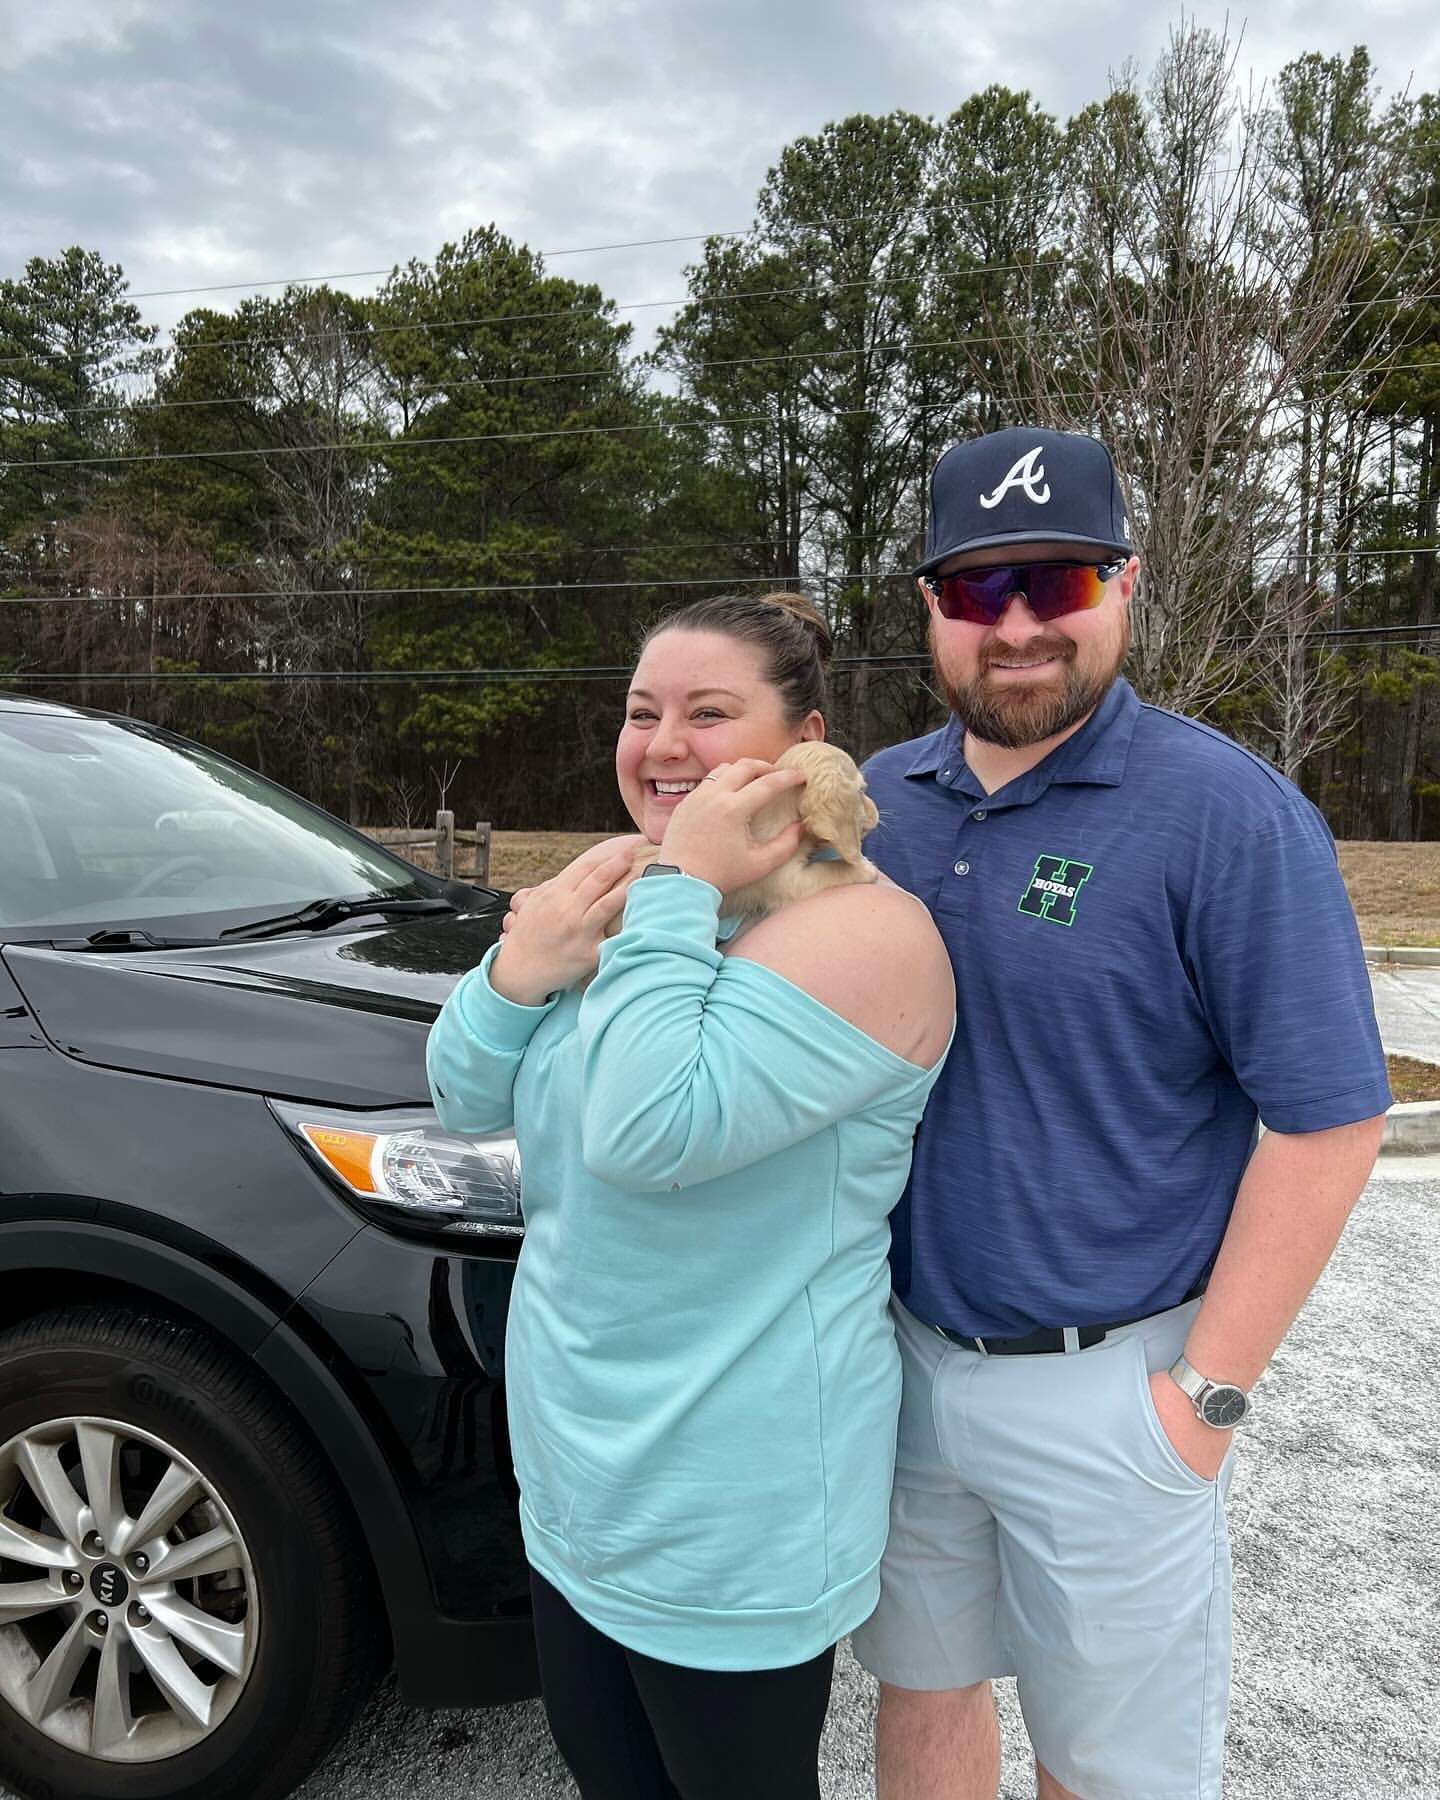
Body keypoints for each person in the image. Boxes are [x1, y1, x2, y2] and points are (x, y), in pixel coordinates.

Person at [849, 425, 1391, 1800]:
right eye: (977, 587)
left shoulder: (1228, 815)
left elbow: (1329, 1122)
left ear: (1126, 584)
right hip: (899, 1361)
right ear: (930, 606)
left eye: (1057, 581)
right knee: (919, 1695)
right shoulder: (874, 805)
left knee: (1106, 1770)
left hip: (1112, 1384)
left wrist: (1201, 1399)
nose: (1017, 625)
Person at [426, 591, 955, 1800]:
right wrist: (516, 972)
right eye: (640, 711)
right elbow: (460, 1091)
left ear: (804, 741)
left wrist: (674, 895)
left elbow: (647, 1134)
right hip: (578, 1479)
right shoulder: (634, 894)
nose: (663, 745)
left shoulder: (866, 932)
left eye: (709, 713)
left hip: (732, 1507)